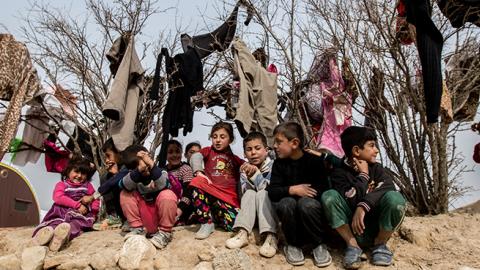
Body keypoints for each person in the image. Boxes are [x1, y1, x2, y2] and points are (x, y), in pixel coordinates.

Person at [321, 126, 406, 269]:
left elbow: (388, 187)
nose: (377, 150)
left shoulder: (377, 169)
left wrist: (363, 206)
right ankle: (352, 246)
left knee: (395, 199)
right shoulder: (339, 173)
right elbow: (350, 198)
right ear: (356, 151)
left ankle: (380, 244)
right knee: (329, 196)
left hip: (376, 228)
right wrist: (364, 176)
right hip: (351, 231)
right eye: (372, 146)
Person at [266, 122, 332, 267]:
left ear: (294, 143)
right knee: (286, 203)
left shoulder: (314, 162)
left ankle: (319, 245)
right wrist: (293, 190)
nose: (274, 146)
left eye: (279, 142)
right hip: (291, 221)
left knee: (306, 203)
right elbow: (273, 192)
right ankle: (293, 245)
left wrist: (306, 195)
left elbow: (323, 189)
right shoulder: (278, 164)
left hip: (312, 217)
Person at [189, 121, 257, 239]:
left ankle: (215, 217)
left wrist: (250, 167)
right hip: (211, 193)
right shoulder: (208, 151)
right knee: (197, 181)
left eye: (222, 137)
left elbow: (246, 166)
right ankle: (206, 223)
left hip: (228, 199)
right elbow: (195, 156)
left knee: (233, 226)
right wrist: (199, 172)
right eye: (214, 137)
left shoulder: (235, 159)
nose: (218, 140)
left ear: (230, 139)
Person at [225, 131, 278, 258]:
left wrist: (256, 175)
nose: (253, 152)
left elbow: (271, 192)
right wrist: (249, 175)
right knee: (249, 192)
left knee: (262, 193)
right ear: (244, 153)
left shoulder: (274, 166)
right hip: (252, 216)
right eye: (249, 149)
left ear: (266, 150)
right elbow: (244, 195)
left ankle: (271, 236)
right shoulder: (244, 169)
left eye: (257, 148)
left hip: (271, 214)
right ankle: (243, 232)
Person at [32, 157, 99, 251]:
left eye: (83, 173)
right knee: (56, 223)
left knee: (75, 225)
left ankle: (58, 240)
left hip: (79, 215)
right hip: (60, 213)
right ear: (68, 172)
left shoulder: (88, 186)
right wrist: (77, 205)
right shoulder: (62, 185)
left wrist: (94, 211)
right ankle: (45, 235)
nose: (79, 176)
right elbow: (58, 197)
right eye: (76, 171)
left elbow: (94, 198)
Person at [118, 145, 178, 249]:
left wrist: (151, 165)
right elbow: (123, 185)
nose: (146, 169)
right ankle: (137, 230)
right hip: (143, 221)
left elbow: (164, 184)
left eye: (146, 165)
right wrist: (138, 171)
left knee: (168, 194)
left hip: (159, 219)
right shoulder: (132, 177)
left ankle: (165, 234)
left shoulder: (161, 171)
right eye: (140, 167)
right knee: (125, 193)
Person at [94, 138, 127, 229]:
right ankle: (113, 215)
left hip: (131, 206)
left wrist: (116, 175)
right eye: (105, 158)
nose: (107, 160)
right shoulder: (110, 173)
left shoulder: (128, 166)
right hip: (119, 208)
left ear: (118, 153)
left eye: (108, 156)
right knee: (105, 177)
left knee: (113, 181)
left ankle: (122, 217)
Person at [164, 139, 194, 224]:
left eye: (177, 152)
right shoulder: (162, 171)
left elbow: (188, 194)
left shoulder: (185, 169)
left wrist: (179, 211)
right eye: (170, 152)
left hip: (183, 208)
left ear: (181, 153)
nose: (174, 155)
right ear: (165, 155)